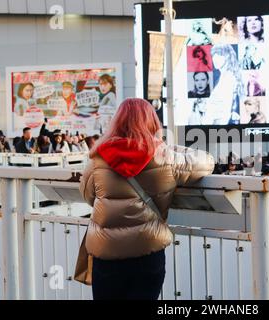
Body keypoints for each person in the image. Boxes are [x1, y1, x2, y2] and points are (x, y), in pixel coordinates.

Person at [77, 98, 214, 300]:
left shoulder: (99, 157)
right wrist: (171, 147)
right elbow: (206, 162)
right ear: (152, 122)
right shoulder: (164, 156)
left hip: (106, 255)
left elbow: (88, 195)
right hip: (146, 251)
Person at [208, 44, 244, 125]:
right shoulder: (222, 76)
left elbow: (226, 110)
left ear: (227, 56)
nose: (215, 58)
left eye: (219, 55)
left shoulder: (229, 77)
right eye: (214, 55)